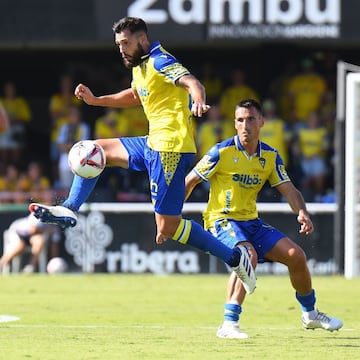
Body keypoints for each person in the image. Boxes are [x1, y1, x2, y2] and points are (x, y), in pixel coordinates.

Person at [29, 16, 256, 292]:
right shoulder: (140, 65)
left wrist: (197, 98)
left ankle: (235, 258)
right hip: (152, 143)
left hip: (170, 149)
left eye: (126, 42)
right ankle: (70, 208)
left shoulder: (160, 60)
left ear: (142, 39)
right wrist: (96, 101)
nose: (121, 48)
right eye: (118, 44)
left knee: (168, 227)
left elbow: (192, 82)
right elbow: (137, 96)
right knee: (93, 150)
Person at [185, 99, 342, 339]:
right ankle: (228, 324)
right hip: (221, 220)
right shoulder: (221, 152)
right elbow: (190, 181)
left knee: (296, 257)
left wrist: (301, 212)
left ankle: (310, 314)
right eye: (240, 120)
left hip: (251, 222)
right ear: (234, 124)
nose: (245, 125)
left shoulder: (269, 156)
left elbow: (289, 189)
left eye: (250, 119)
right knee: (247, 256)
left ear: (261, 122)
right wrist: (169, 217)